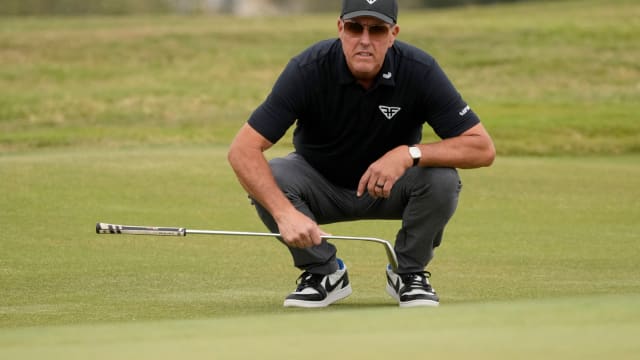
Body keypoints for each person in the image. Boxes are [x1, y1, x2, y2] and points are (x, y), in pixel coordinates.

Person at [228, 0, 495, 308]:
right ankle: (323, 273)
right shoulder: (308, 69)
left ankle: (408, 273)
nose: (365, 40)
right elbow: (242, 150)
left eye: (377, 30)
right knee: (273, 176)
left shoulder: (419, 70)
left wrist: (408, 154)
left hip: (391, 188)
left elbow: (482, 147)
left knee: (442, 177)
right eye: (355, 28)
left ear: (393, 33)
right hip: (320, 185)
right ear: (341, 28)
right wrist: (285, 214)